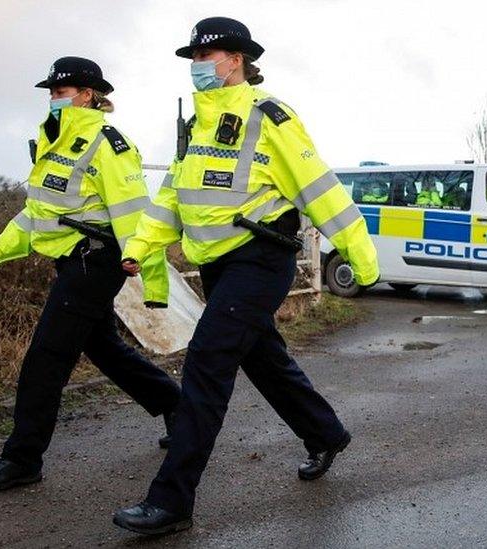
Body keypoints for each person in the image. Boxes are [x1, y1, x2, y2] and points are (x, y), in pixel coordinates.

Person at [112, 17, 379, 535]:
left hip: (261, 260)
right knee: (264, 358)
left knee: (208, 363)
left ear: (235, 59)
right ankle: (325, 433)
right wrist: (140, 245)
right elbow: (173, 197)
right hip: (217, 264)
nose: (196, 67)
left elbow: (319, 188)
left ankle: (171, 502)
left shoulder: (270, 117)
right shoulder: (197, 125)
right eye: (192, 59)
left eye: (204, 57)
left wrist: (359, 254)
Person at [0, 57, 181, 492]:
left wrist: (153, 284)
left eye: (62, 92)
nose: (54, 99)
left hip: (96, 261)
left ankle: (21, 459)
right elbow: (38, 214)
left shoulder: (108, 145)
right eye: (51, 93)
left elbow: (136, 218)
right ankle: (176, 404)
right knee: (103, 348)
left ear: (88, 95)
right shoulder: (55, 143)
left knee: (46, 357)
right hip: (71, 261)